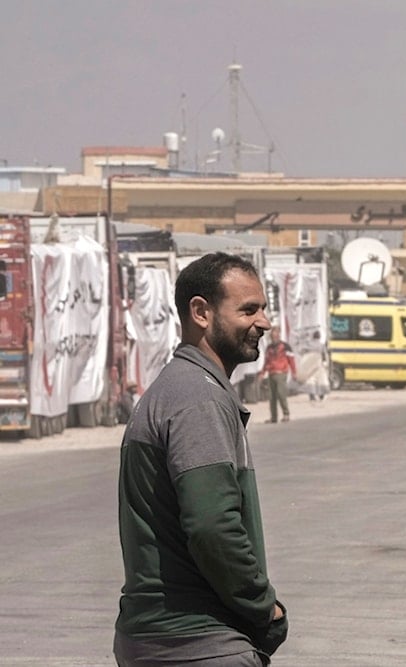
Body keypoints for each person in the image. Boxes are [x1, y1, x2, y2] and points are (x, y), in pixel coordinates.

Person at [115, 252, 288, 666]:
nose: (263, 323)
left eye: (263, 309)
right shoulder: (198, 397)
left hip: (163, 639)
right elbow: (212, 526)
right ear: (201, 312)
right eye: (248, 310)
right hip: (197, 643)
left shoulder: (180, 387)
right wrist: (264, 607)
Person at [261, 328, 296, 423]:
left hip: (281, 373)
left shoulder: (285, 346)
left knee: (281, 394)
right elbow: (266, 361)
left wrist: (294, 372)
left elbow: (291, 360)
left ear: (279, 335)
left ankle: (286, 414)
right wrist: (263, 372)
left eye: (275, 336)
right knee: (272, 397)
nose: (274, 338)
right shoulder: (269, 348)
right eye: (272, 336)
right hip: (271, 373)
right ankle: (274, 417)